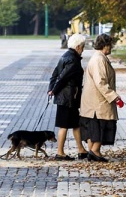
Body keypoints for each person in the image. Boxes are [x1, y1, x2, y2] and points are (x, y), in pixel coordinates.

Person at [80, 34, 121, 162]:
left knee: (95, 126)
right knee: (102, 125)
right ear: (105, 45)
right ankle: (95, 151)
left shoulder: (99, 57)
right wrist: (114, 97)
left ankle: (93, 151)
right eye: (110, 45)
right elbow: (101, 82)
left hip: (94, 101)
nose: (111, 48)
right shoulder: (99, 59)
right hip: (98, 101)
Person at [48, 33, 88, 161]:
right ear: (77, 47)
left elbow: (54, 74)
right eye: (82, 47)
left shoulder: (64, 56)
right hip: (68, 98)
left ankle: (81, 150)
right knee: (64, 125)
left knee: (75, 124)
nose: (83, 49)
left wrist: (51, 89)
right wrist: (53, 90)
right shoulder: (73, 60)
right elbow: (62, 77)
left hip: (67, 97)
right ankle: (60, 152)